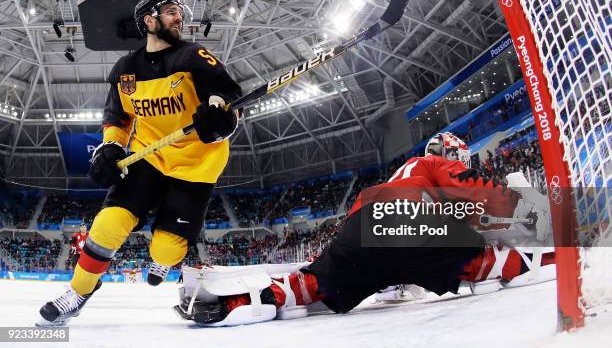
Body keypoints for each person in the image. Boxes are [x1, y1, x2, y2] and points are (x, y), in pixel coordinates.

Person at [175, 132, 555, 325]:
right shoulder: (433, 164)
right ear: (452, 155)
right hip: (410, 224)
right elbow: (472, 192)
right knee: (480, 263)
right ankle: (548, 258)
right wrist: (526, 207)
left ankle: (240, 302)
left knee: (312, 285)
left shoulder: (398, 177)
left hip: (363, 228)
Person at [37, 0, 242, 327]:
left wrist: (220, 117)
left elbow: (228, 97)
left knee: (165, 250)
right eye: (171, 12)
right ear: (149, 20)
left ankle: (161, 260)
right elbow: (117, 119)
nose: (179, 18)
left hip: (196, 165)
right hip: (149, 157)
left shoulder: (194, 56)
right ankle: (76, 294)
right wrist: (111, 148)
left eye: (179, 12)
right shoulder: (125, 70)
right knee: (107, 224)